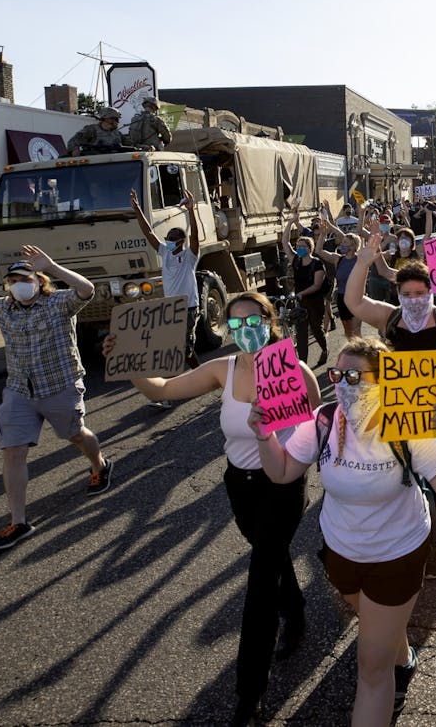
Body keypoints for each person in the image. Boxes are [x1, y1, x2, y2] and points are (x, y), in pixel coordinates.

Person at [109, 293, 314, 724]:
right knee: (269, 555)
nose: (244, 330)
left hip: (283, 488)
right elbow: (162, 389)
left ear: (269, 320)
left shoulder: (294, 371)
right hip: (240, 486)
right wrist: (129, 362)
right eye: (234, 324)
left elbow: (316, 433)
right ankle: (295, 612)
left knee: (259, 586)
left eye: (253, 321)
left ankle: (249, 692)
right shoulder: (223, 370)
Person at [252, 337, 436, 726]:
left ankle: (392, 663)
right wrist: (263, 435)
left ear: (383, 381)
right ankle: (401, 653)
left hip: (397, 555)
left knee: (372, 670)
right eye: (338, 374)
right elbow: (282, 472)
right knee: (376, 625)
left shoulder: (408, 422)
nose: (343, 383)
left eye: (355, 376)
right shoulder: (324, 419)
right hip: (341, 554)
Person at [0, 246, 112, 550]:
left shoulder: (58, 303)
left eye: (23, 279)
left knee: (76, 435)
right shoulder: (3, 307)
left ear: (39, 281)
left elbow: (87, 289)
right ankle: (18, 521)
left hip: (59, 385)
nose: (17, 285)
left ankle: (100, 466)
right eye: (11, 281)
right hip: (19, 391)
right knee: (13, 452)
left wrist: (52, 266)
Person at [344, 235, 436, 578]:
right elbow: (354, 302)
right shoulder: (390, 318)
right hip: (398, 411)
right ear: (397, 295)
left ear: (431, 291)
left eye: (419, 293)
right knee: (401, 476)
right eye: (406, 294)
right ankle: (405, 539)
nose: (413, 300)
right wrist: (364, 262)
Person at [130, 187, 202, 380]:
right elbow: (149, 233)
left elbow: (195, 236)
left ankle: (197, 377)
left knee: (184, 347)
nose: (168, 242)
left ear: (181, 241)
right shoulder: (165, 253)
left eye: (172, 240)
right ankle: (179, 384)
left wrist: (191, 211)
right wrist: (137, 209)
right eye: (167, 239)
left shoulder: (189, 256)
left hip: (188, 307)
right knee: (170, 347)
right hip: (170, 308)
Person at [282, 206, 330, 366]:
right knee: (301, 333)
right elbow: (285, 242)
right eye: (298, 246)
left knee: (316, 329)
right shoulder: (296, 260)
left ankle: (324, 349)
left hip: (315, 302)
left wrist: (302, 293)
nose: (299, 248)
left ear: (309, 248)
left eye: (303, 246)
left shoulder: (317, 264)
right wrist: (290, 223)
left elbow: (317, 285)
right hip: (301, 302)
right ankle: (303, 366)